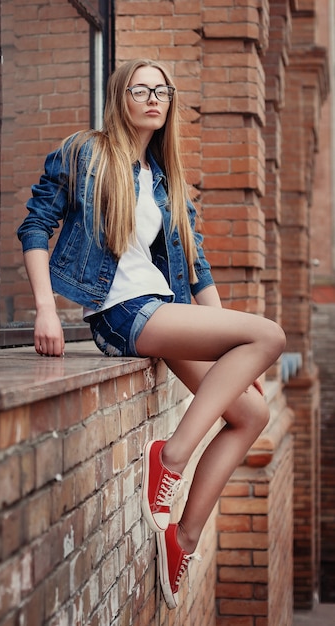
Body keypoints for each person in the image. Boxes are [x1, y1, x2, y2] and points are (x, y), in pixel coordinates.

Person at [17, 59, 286, 609]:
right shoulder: (86, 153)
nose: (152, 98)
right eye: (140, 89)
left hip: (162, 310)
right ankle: (172, 458)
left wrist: (239, 362)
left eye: (162, 90)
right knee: (271, 335)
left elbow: (198, 267)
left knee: (252, 413)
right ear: (120, 98)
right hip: (118, 312)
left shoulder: (165, 179)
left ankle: (181, 537)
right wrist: (46, 309)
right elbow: (35, 224)